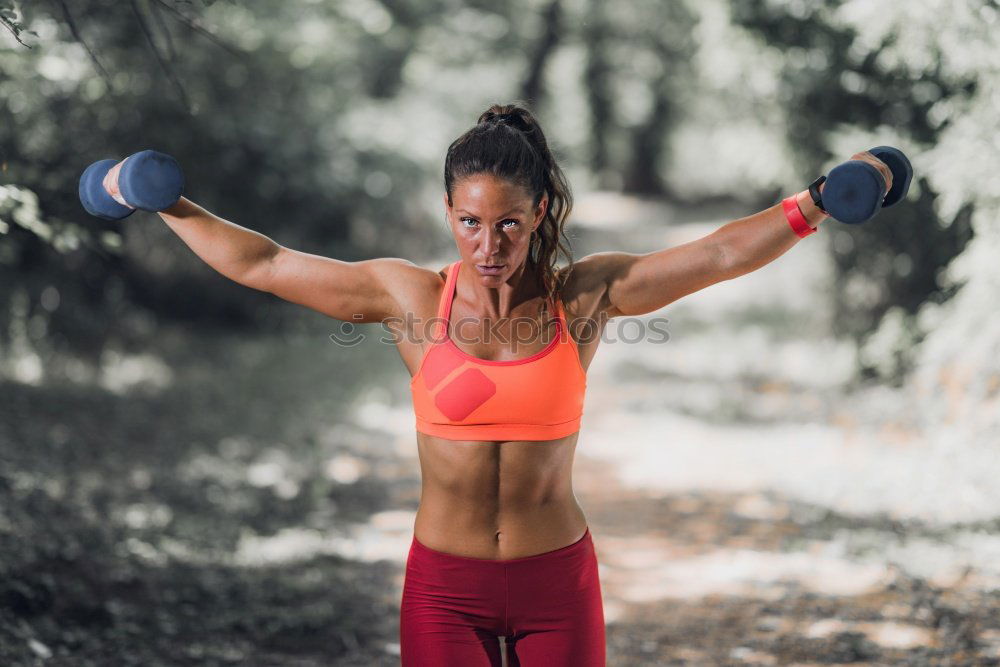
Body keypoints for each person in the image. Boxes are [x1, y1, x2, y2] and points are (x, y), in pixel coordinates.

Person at [137, 102, 892, 666]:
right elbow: (264, 263)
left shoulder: (582, 298)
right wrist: (164, 202)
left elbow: (718, 253)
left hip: (556, 581)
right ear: (448, 212)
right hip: (443, 590)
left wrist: (818, 200)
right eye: (469, 222)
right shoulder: (411, 299)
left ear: (539, 215)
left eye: (508, 225)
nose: (487, 244)